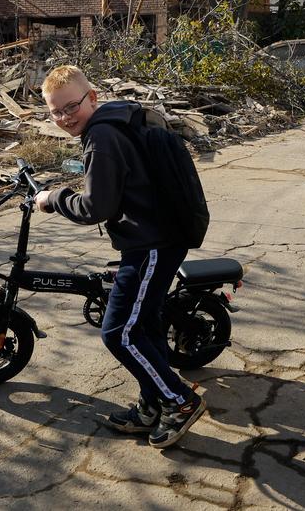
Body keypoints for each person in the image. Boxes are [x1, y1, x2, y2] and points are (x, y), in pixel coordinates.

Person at [34, 65, 207, 449]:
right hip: (160, 237)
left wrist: (54, 198)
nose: (64, 118)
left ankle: (179, 400)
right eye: (55, 112)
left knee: (120, 333)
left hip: (150, 244)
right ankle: (151, 405)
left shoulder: (101, 137)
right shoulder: (118, 118)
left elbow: (95, 207)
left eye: (70, 107)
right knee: (144, 327)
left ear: (91, 97)